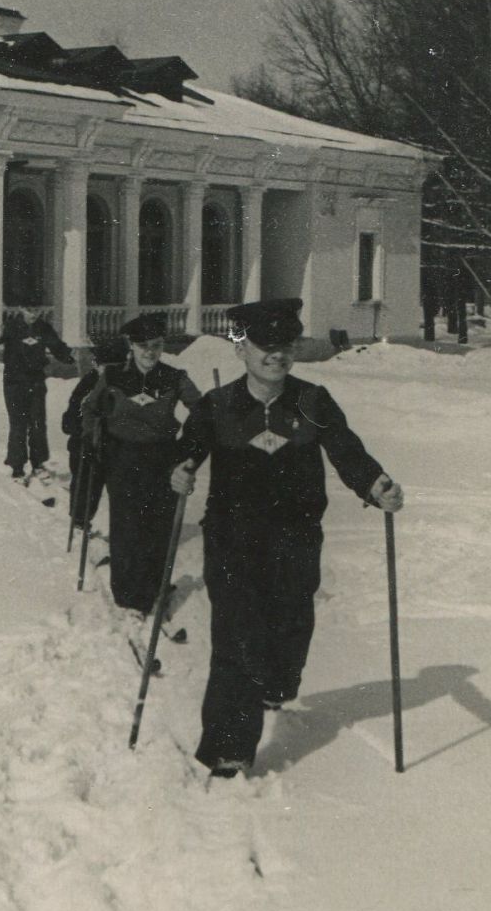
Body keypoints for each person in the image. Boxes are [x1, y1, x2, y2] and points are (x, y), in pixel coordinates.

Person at [171, 298, 403, 778]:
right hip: (233, 542)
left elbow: (346, 451)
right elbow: (185, 453)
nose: (275, 355)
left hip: (295, 541)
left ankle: (276, 683)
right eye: (263, 346)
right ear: (242, 349)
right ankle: (228, 746)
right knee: (236, 639)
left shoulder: (312, 401)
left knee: (289, 629)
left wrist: (375, 484)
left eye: (285, 346)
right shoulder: (218, 406)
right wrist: (179, 470)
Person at [83, 313, 201, 617]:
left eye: (157, 345)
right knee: (127, 527)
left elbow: (202, 413)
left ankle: (155, 590)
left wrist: (189, 448)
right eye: (144, 346)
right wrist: (93, 439)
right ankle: (128, 596)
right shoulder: (112, 377)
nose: (150, 352)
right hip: (123, 459)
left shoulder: (175, 378)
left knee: (158, 527)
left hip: (163, 460)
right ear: (132, 347)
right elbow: (90, 410)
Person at [0, 306, 75, 482]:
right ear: (21, 310)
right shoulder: (11, 326)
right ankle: (16, 466)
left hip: (36, 382)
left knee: (38, 423)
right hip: (14, 383)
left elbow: (57, 348)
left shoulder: (43, 328)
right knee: (18, 424)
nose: (33, 315)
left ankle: (38, 464)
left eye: (37, 311)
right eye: (29, 310)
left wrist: (71, 356)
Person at [61, 337, 123, 532]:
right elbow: (70, 421)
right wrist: (85, 431)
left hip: (116, 447)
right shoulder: (89, 384)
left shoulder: (128, 384)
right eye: (107, 366)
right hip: (86, 446)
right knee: (87, 488)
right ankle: (79, 523)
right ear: (98, 366)